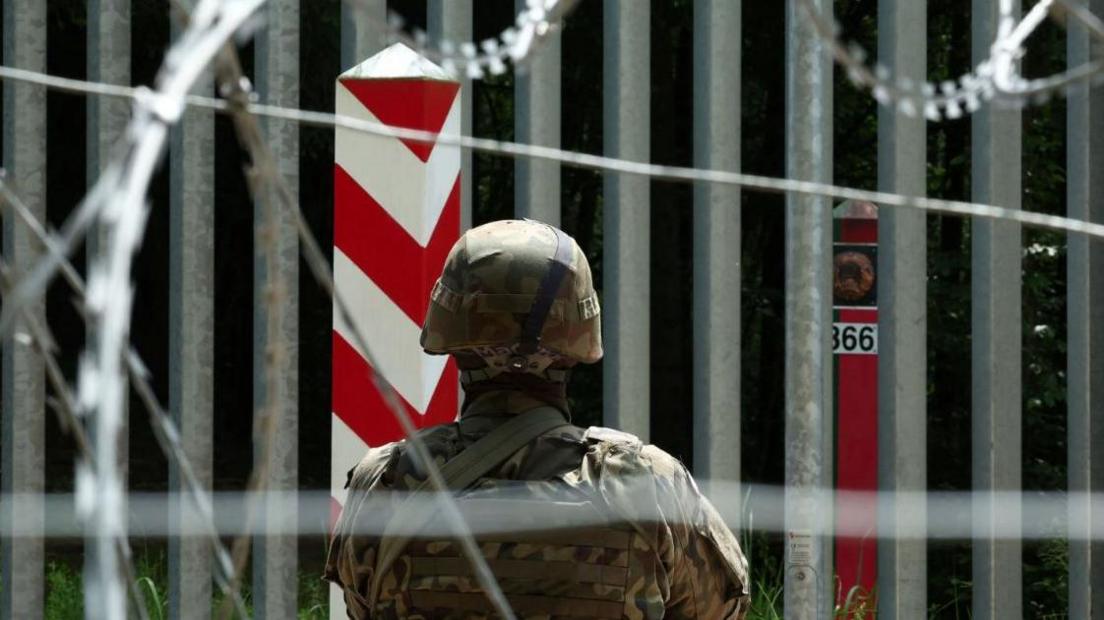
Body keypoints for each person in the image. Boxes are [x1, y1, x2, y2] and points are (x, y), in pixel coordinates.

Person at [325, 219, 750, 619]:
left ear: (450, 334)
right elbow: (718, 608)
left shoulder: (385, 481)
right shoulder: (647, 482)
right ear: (579, 338)